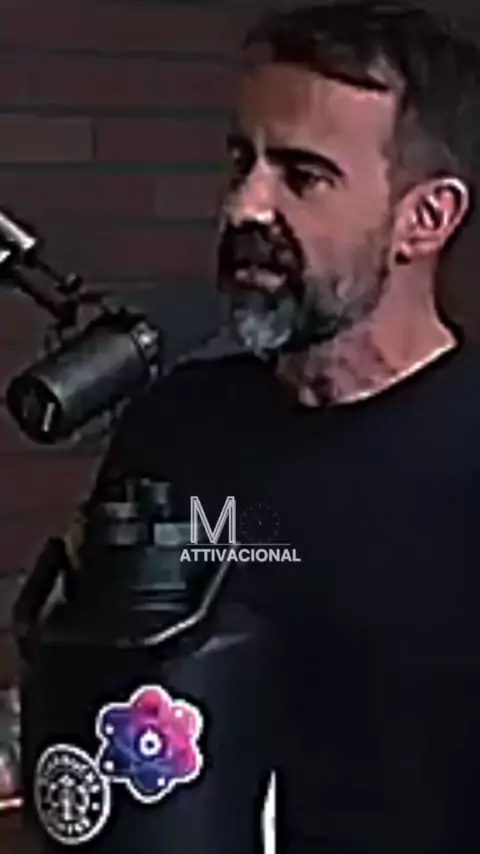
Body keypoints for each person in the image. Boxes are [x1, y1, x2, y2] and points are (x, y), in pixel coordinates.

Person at [89, 1, 480, 850]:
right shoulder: (174, 426)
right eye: (242, 161)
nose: (245, 207)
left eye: (302, 176)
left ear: (426, 219)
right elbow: (98, 687)